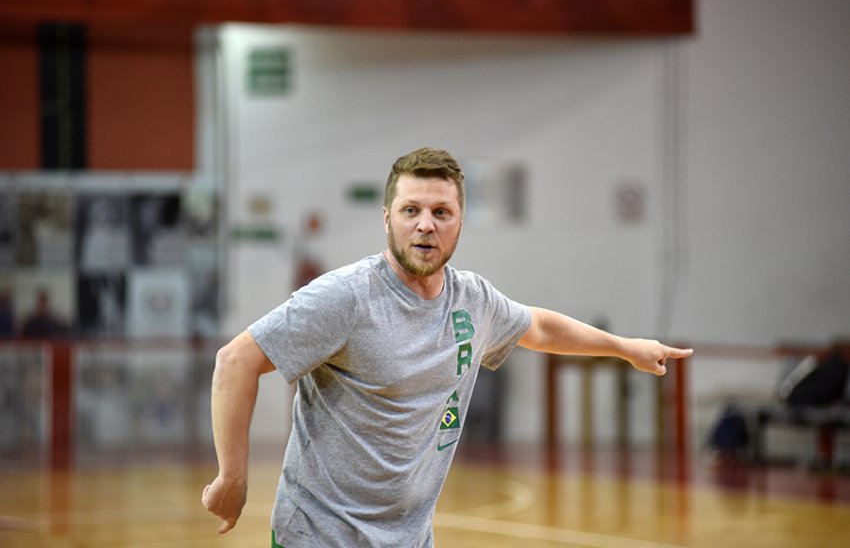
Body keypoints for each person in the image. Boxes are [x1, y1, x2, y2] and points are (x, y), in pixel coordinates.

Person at [202, 147, 693, 547]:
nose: (425, 225)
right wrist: (233, 476)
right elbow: (236, 360)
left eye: (441, 212)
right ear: (387, 218)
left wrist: (625, 347)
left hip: (408, 539)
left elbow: (538, 327)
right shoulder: (346, 297)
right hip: (320, 535)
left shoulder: (474, 300)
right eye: (410, 210)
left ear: (460, 221)